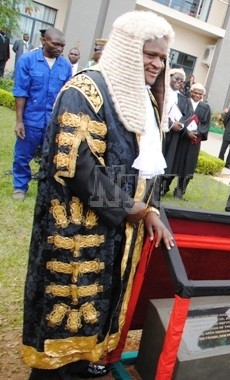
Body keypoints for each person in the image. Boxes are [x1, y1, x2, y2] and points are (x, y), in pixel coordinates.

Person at [21, 11, 176, 379]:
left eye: (162, 58)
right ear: (127, 50)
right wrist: (128, 207)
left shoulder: (146, 99)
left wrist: (148, 209)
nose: (156, 63)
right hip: (76, 228)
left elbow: (144, 167)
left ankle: (85, 359)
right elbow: (74, 165)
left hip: (118, 231)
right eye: (148, 54)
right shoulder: (85, 91)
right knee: (65, 309)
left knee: (100, 303)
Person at [11, 28, 72, 200]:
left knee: (52, 158)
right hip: (31, 120)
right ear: (43, 41)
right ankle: (20, 187)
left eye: (62, 46)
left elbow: (66, 95)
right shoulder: (28, 61)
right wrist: (19, 121)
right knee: (23, 155)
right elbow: (21, 91)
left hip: (53, 122)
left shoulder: (65, 66)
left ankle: (46, 189)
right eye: (56, 44)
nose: (60, 49)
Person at [168, 82, 211, 200]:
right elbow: (178, 117)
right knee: (175, 163)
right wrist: (187, 132)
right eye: (195, 92)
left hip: (193, 142)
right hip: (181, 139)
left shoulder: (205, 107)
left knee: (188, 167)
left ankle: (180, 192)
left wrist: (196, 133)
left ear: (203, 95)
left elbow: (205, 124)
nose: (197, 95)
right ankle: (164, 187)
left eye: (200, 94)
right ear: (191, 92)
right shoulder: (183, 102)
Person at [161, 68, 191, 196]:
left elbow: (186, 116)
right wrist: (170, 124)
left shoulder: (183, 98)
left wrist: (181, 125)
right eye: (176, 79)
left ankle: (161, 186)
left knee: (168, 160)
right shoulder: (161, 92)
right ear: (169, 78)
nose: (179, 82)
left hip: (174, 135)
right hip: (160, 131)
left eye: (181, 80)